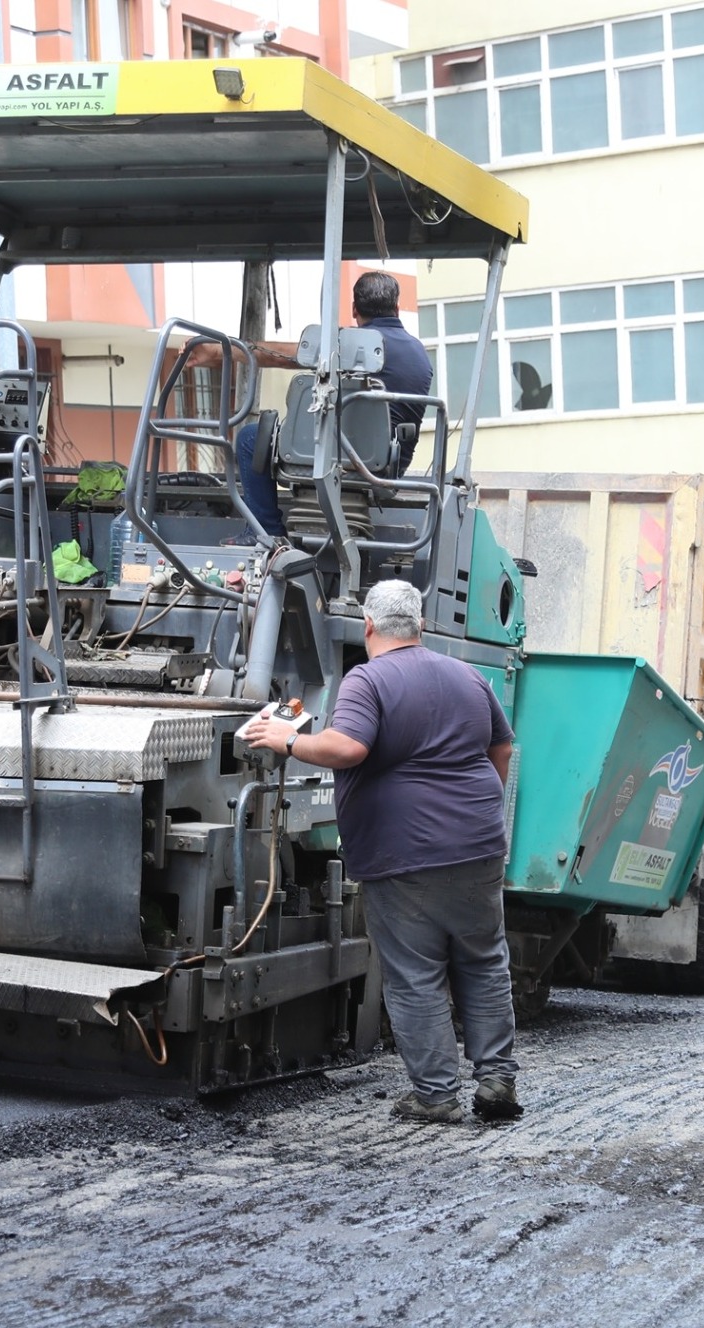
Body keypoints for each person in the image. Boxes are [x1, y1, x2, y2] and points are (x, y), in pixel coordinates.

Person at [241, 579, 521, 1124]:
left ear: (368, 627)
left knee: (415, 972)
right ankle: (496, 1084)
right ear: (419, 626)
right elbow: (502, 746)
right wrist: (477, 806)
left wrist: (288, 739)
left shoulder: (368, 680)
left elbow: (348, 747)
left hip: (406, 854)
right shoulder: (467, 676)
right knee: (485, 961)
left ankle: (436, 1096)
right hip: (479, 846)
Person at [197, 271, 435, 536]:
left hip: (332, 459)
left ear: (355, 309)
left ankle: (265, 533)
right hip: (386, 468)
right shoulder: (419, 353)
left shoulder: (348, 346)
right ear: (397, 309)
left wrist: (219, 350)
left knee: (250, 438)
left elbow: (278, 356)